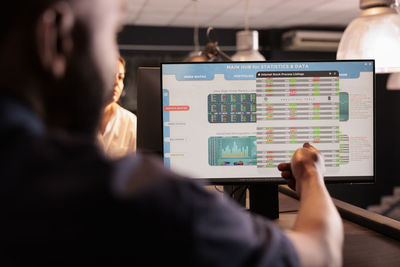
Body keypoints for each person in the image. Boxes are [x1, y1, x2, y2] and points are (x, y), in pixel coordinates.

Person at [0, 0, 343, 266]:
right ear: (55, 37)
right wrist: (311, 172)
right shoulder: (144, 202)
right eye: (112, 33)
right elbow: (321, 253)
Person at [98, 56, 137, 159]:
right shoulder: (77, 118)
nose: (116, 83)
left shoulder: (131, 122)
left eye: (120, 77)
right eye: (111, 76)